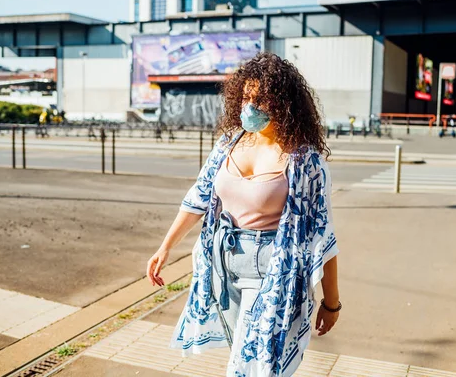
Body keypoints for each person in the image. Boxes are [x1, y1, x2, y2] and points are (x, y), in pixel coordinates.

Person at [146, 52, 341, 377]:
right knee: (248, 358)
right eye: (247, 97)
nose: (250, 106)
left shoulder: (305, 162)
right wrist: (165, 247)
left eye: (261, 99)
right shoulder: (228, 143)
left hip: (272, 274)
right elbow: (199, 196)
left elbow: (325, 238)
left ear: (283, 103)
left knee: (251, 365)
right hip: (223, 269)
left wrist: (331, 302)